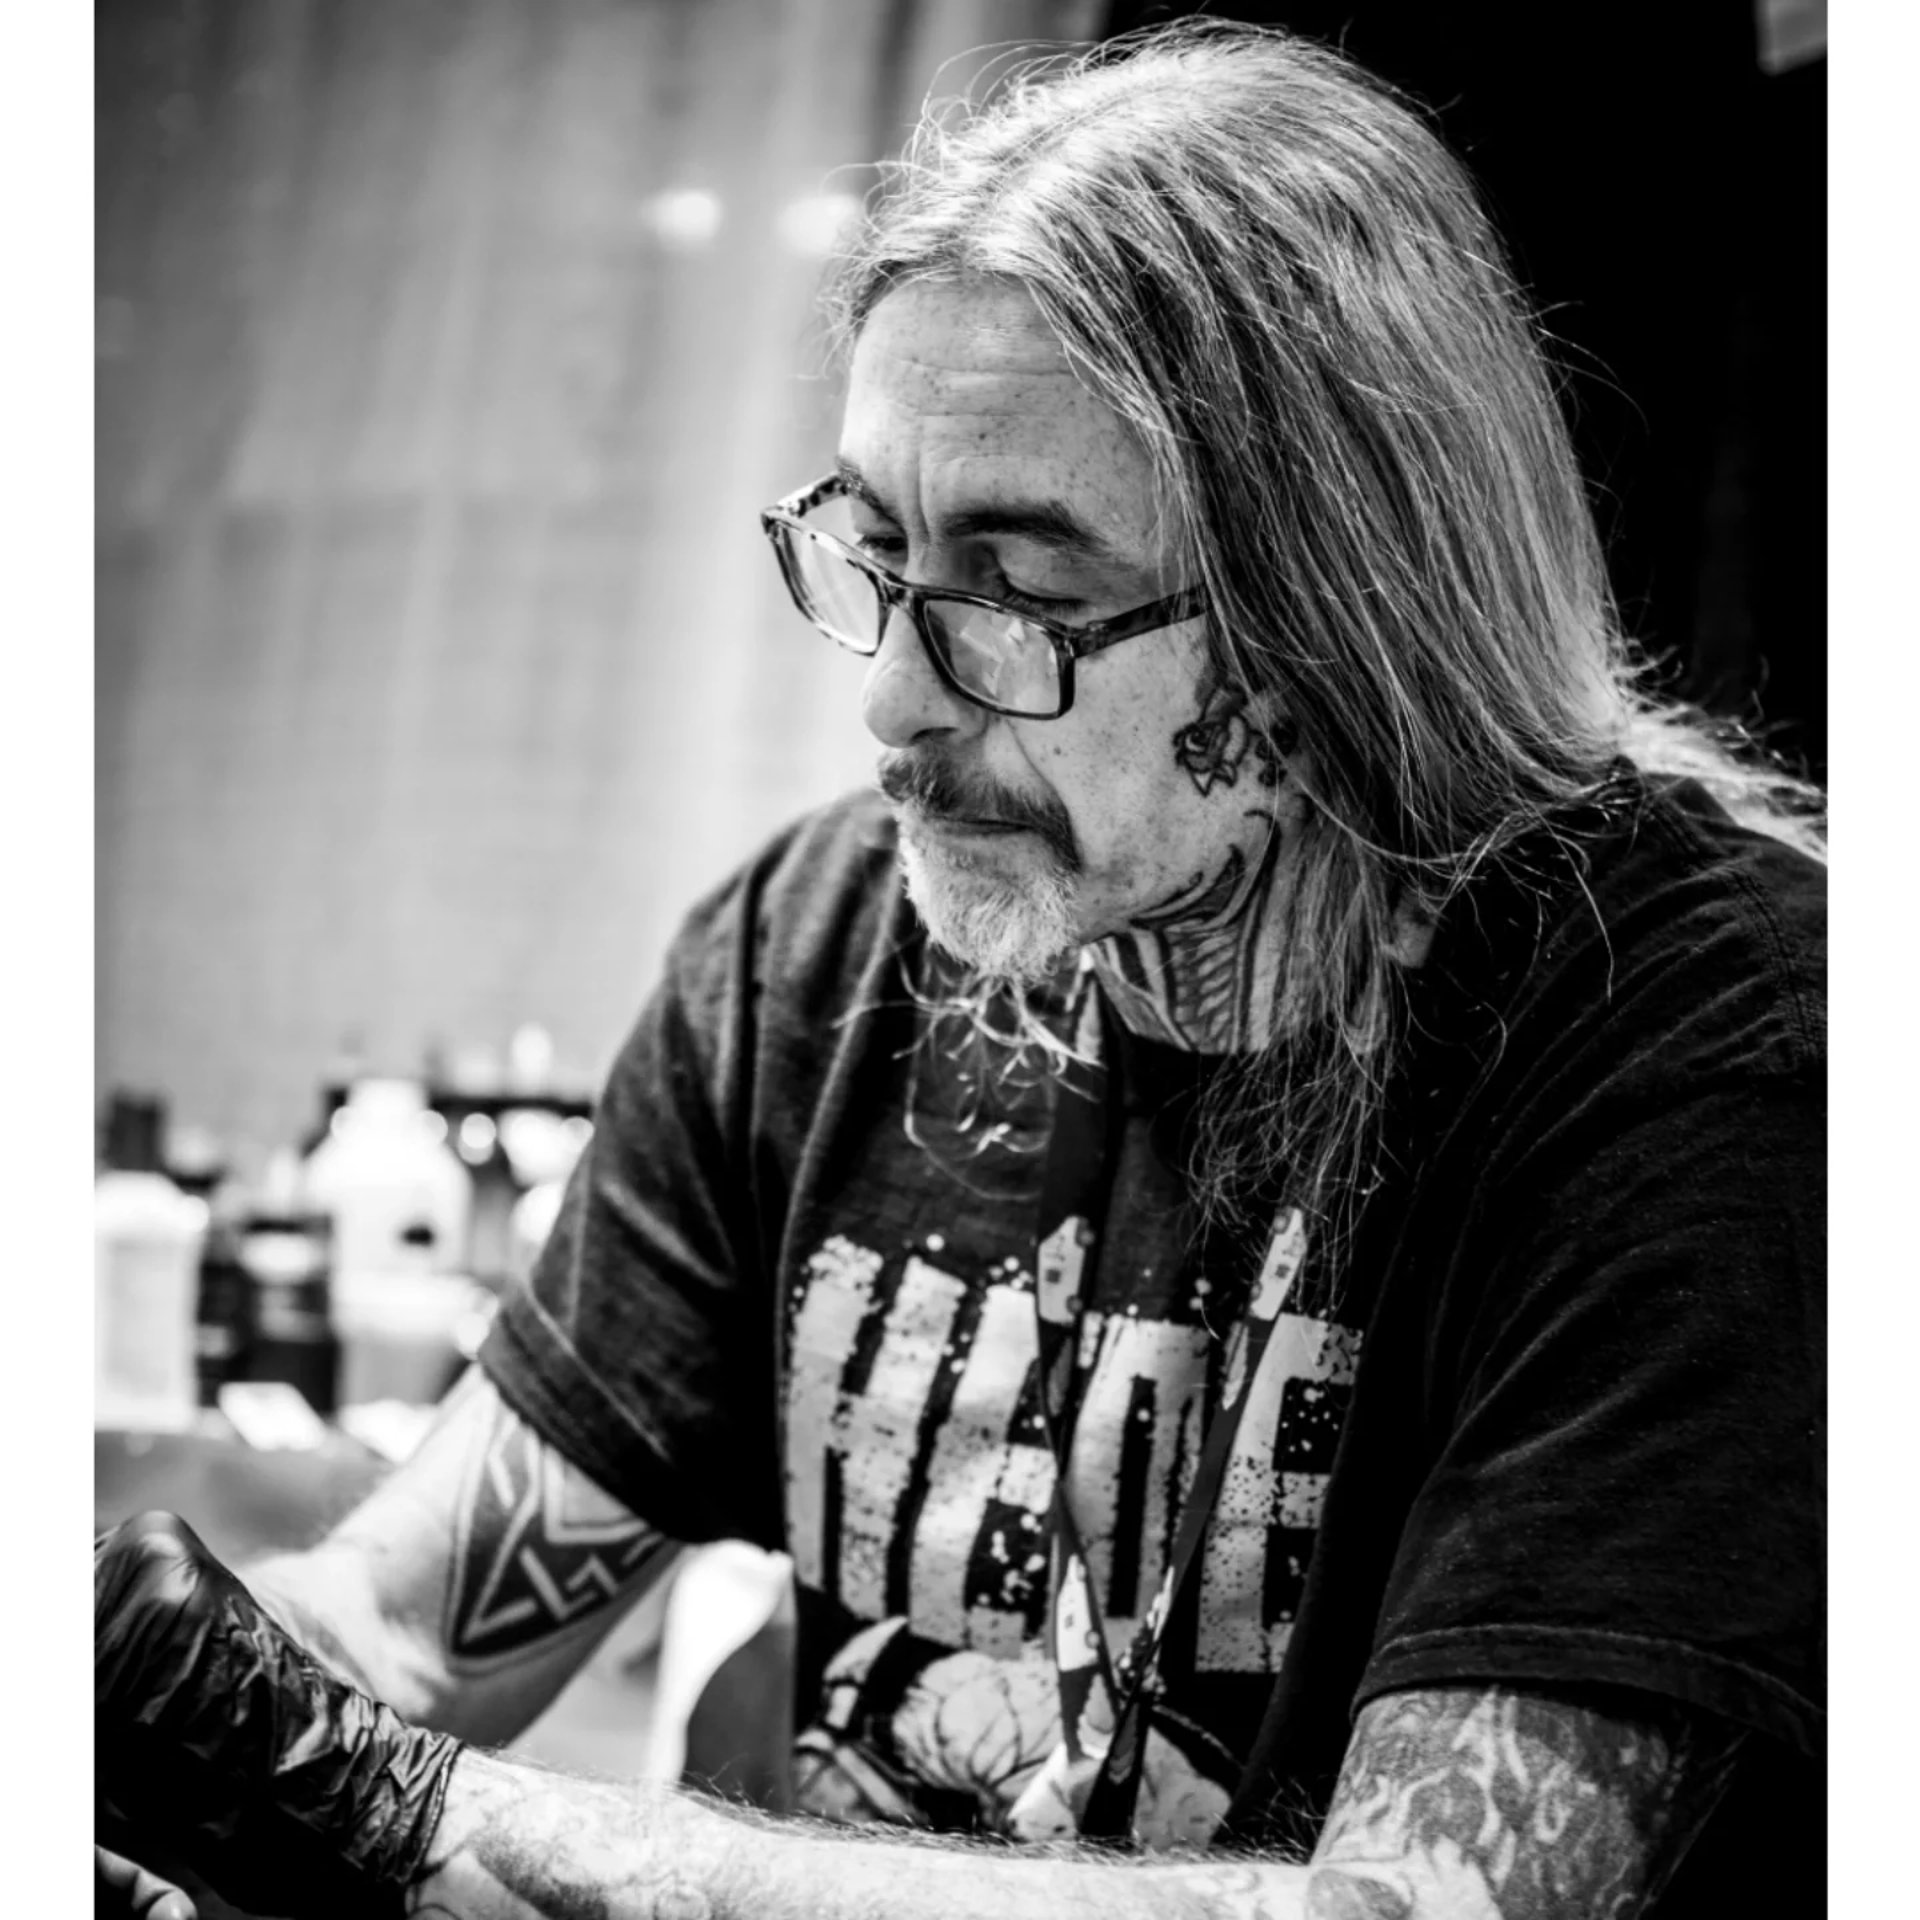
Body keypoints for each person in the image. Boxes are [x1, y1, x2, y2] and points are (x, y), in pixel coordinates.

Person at [94, 20, 1825, 1920]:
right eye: (880, 553)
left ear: (1337, 618)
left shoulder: (1710, 1051)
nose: (896, 700)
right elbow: (403, 1638)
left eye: (1019, 591)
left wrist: (407, 1814)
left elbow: (1412, 1910)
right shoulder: (814, 957)